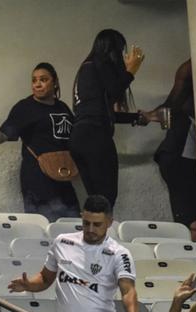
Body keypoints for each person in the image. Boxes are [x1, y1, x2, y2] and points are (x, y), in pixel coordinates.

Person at [8, 194, 148, 312]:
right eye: (86, 223)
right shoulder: (62, 242)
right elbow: (45, 279)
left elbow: (128, 290)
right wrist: (29, 285)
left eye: (97, 224)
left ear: (109, 222)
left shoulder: (119, 253)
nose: (90, 229)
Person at [0, 62, 79, 221]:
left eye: (43, 79)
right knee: (41, 223)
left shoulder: (62, 107)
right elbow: (1, 137)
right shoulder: (25, 107)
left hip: (63, 175)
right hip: (37, 178)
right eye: (34, 80)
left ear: (55, 82)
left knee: (72, 222)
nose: (37, 84)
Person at [69, 29, 145, 208]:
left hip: (80, 137)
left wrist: (138, 117)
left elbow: (99, 111)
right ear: (112, 49)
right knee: (106, 197)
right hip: (95, 136)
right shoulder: (98, 64)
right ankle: (100, 234)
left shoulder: (86, 68)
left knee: (96, 199)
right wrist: (131, 71)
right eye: (120, 51)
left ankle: (93, 233)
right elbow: (115, 90)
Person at [150, 60, 196, 241]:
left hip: (183, 156)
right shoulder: (189, 69)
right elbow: (170, 106)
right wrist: (148, 116)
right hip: (180, 156)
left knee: (194, 220)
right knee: (193, 221)